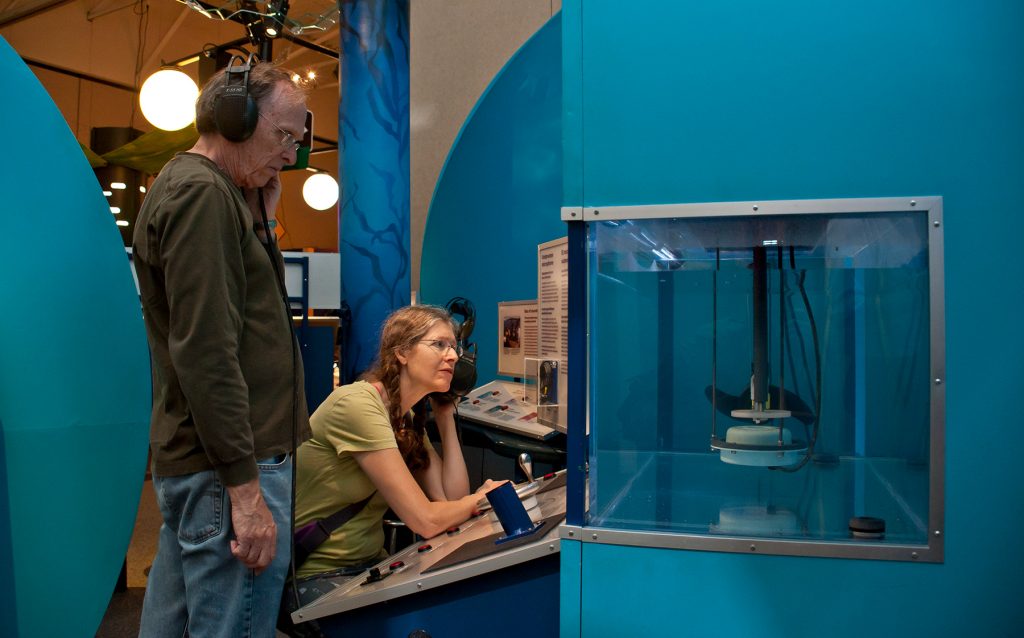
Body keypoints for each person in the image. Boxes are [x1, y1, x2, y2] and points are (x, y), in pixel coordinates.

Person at [132, 62, 311, 638]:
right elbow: (208, 352)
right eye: (284, 135)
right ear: (235, 119)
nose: (290, 154)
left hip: (212, 464)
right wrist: (246, 491)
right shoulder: (203, 196)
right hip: (230, 466)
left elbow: (239, 316)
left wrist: (265, 219)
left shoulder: (212, 194)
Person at [285, 306, 501, 605]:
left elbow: (451, 499)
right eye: (439, 344)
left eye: (454, 346)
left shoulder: (405, 417)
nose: (453, 356)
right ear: (402, 353)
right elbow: (426, 521)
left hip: (369, 566)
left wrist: (445, 416)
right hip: (318, 575)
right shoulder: (358, 405)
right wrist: (481, 500)